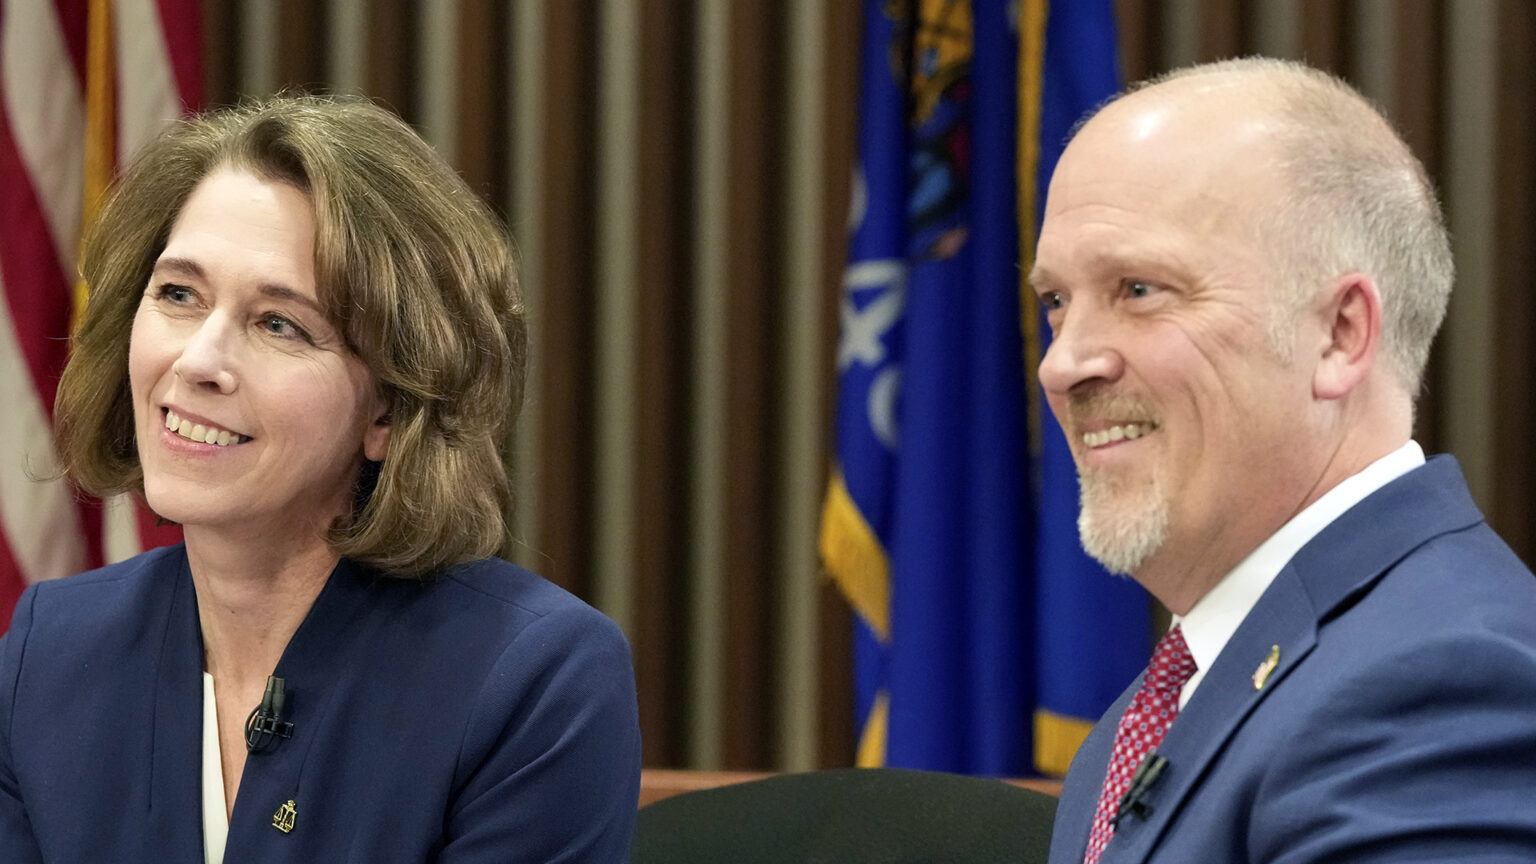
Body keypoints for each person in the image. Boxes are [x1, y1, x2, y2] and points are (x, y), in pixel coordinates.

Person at [0, 94, 641, 862]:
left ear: (391, 409)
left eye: (280, 324)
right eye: (179, 295)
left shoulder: (531, 683)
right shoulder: (52, 656)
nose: (198, 361)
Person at [1031, 58, 1536, 863]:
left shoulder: (1440, 686)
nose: (1064, 364)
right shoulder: (1157, 711)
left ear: (1339, 335)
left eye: (1138, 289)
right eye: (1056, 302)